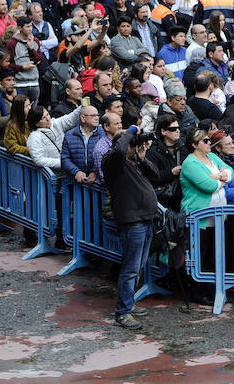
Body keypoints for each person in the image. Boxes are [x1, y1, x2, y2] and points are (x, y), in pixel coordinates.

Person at [101, 125, 161, 329]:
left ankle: (129, 303)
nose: (133, 145)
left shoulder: (134, 161)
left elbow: (156, 176)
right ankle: (122, 312)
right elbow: (119, 150)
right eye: (130, 142)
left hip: (146, 218)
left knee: (138, 266)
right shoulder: (111, 161)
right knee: (130, 268)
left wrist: (143, 157)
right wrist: (131, 131)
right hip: (132, 221)